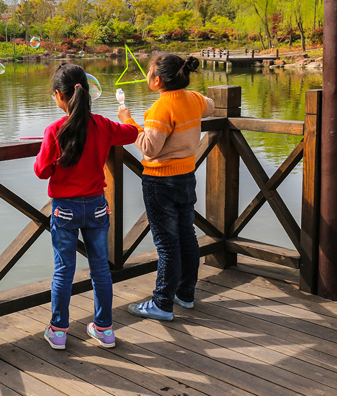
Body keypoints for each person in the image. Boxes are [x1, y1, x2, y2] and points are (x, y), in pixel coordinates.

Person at [35, 64, 139, 350]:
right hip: (96, 206)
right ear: (87, 92)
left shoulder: (54, 130)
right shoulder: (103, 125)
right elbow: (132, 134)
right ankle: (104, 329)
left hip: (65, 210)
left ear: (59, 95)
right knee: (101, 270)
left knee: (63, 271)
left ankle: (58, 331)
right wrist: (126, 117)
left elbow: (42, 171)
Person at [117, 54, 214, 321]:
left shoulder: (160, 109)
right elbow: (212, 105)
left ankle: (162, 303)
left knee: (167, 245)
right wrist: (193, 99)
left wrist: (129, 122)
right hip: (186, 177)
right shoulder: (193, 99)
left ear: (157, 80)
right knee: (187, 237)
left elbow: (149, 147)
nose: (147, 74)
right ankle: (185, 294)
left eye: (149, 71)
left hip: (161, 182)